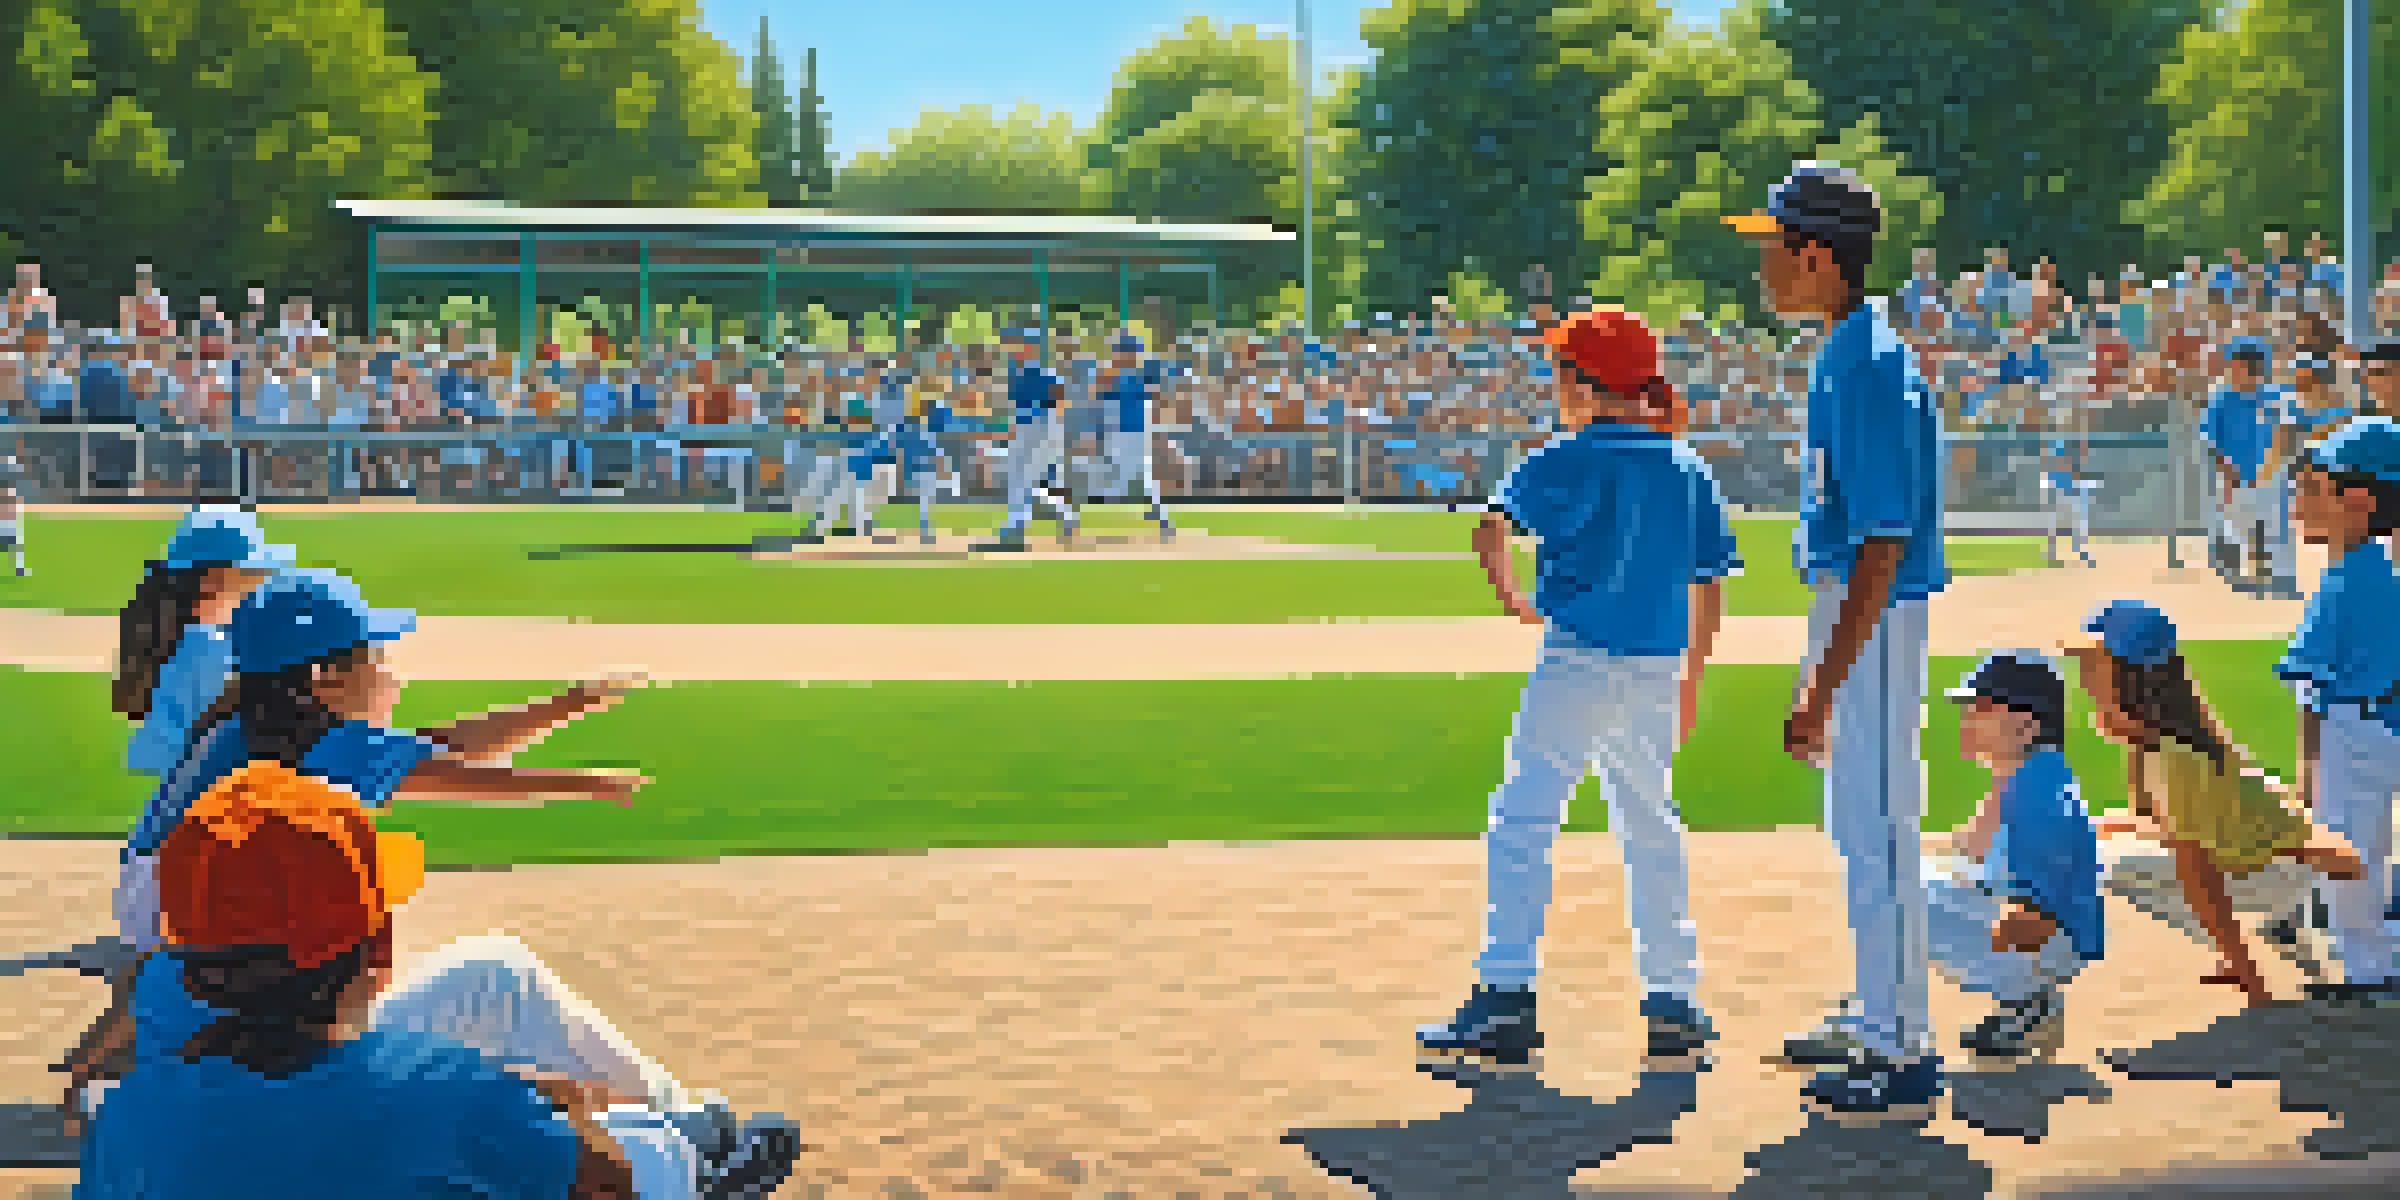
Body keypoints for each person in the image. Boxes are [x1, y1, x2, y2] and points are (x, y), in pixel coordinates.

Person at [71, 738, 802, 1199]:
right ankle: (689, 1154)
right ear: (378, 951)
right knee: (645, 1156)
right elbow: (600, 1181)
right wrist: (571, 1114)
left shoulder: (133, 1120)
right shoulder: (445, 1093)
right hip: (522, 1136)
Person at [1414, 308, 1735, 1075]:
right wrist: (1693, 677)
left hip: (1576, 660)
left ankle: (1504, 998)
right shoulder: (1686, 466)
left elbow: (1489, 531)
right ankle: (1673, 1002)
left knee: (1525, 820)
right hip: (1657, 667)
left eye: (1560, 371)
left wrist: (1514, 600)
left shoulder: (1563, 458)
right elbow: (1709, 582)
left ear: (1583, 384)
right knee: (1650, 825)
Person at [1726, 163, 1949, 1116]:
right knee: (1859, 829)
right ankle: (1875, 1014)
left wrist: (1820, 682)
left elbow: (1886, 542)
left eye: (1774, 247)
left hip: (1878, 612)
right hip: (1860, 608)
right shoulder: (1848, 351)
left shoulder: (1867, 364)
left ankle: (1903, 1051)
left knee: (1884, 834)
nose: (1763, 266)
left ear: (1818, 256)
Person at [2067, 600, 2362, 1007]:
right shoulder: (2165, 739)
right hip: (2271, 867)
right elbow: (2160, 822)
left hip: (2271, 878)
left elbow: (2199, 877)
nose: (2084, 685)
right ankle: (2270, 928)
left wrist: (2250, 978)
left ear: (2125, 683)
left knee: (2109, 862)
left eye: (2092, 673)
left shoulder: (2176, 761)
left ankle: (2254, 946)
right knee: (2108, 833)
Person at [1926, 652, 2102, 1060]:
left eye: (1984, 707)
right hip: (2044, 943)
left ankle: (2028, 1003)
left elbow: (2034, 920)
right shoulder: (2024, 776)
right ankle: (2025, 1002)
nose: (1967, 716)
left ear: (2027, 723)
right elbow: (1970, 855)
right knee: (1902, 886)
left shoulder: (2036, 797)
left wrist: (2010, 969)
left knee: (1891, 901)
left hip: (2044, 947)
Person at [2278, 419, 2400, 1004]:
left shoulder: (2347, 578)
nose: (2301, 502)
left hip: (2359, 729)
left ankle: (2371, 965)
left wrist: (2307, 764)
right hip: (2379, 722)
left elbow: (2310, 679)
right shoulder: (2379, 568)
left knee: (2347, 849)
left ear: (2359, 500)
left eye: (2314, 488)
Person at [2200, 338, 2284, 593]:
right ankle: (2235, 577)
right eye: (2232, 365)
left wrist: (2272, 467)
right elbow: (2210, 440)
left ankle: (2264, 573)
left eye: (2239, 365)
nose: (2233, 370)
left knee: (2265, 527)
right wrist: (2226, 471)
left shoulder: (2272, 397)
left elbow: (2283, 434)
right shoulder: (2221, 399)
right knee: (2235, 526)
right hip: (2232, 476)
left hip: (2267, 476)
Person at [988, 327, 1079, 549]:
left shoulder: (1036, 372)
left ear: (1030, 347)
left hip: (1040, 426)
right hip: (1036, 427)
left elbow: (1059, 398)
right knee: (1038, 478)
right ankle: (1066, 516)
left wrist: (1053, 427)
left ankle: (1016, 528)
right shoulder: (1018, 373)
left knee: (1020, 475)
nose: (1011, 348)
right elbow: (1020, 407)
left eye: (1017, 343)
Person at [1096, 332, 1177, 540]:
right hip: (1119, 432)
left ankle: (1158, 512)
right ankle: (1156, 511)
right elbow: (1098, 397)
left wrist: (1158, 429)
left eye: (1130, 352)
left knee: (1141, 474)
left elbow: (1157, 400)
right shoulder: (1113, 375)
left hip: (1135, 432)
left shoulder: (1139, 375)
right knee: (1123, 477)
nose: (1129, 355)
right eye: (1126, 352)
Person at [0, 480, 22, 577]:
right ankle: (18, 570)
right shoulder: (8, 502)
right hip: (8, 529)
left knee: (15, 551)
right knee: (15, 550)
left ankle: (18, 570)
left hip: (10, 528)